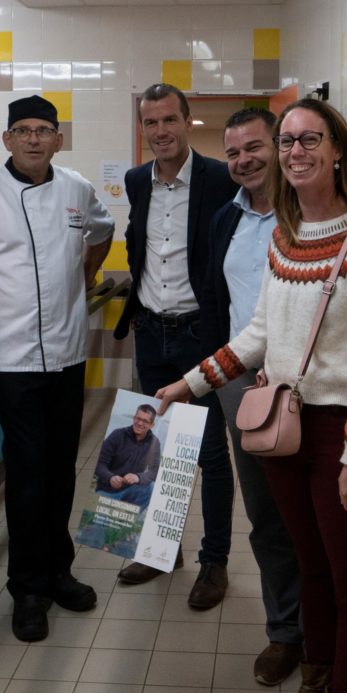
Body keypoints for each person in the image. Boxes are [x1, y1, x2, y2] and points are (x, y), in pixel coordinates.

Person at [155, 99, 347, 693]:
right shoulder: (285, 240)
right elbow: (258, 336)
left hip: (346, 433)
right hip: (286, 429)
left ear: (338, 150)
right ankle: (315, 679)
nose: (296, 152)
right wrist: (188, 384)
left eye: (309, 139)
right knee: (311, 566)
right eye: (289, 141)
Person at [0, 95, 114, 643]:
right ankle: (28, 588)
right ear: (7, 139)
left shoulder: (76, 189)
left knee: (60, 469)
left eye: (44, 130)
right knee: (29, 474)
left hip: (69, 355)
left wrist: (86, 275)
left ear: (59, 139)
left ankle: (58, 571)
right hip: (14, 361)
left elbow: (103, 231)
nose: (34, 138)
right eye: (24, 130)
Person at [112, 82, 238, 609]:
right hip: (150, 333)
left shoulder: (220, 178)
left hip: (198, 335)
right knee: (156, 446)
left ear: (187, 122)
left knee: (208, 454)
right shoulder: (136, 180)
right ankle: (160, 550)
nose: (160, 131)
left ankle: (214, 561)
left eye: (169, 120)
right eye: (150, 122)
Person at [201, 106, 304, 686]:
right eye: (233, 152)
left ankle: (323, 633)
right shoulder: (227, 220)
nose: (244, 160)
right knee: (265, 514)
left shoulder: (311, 212)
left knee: (312, 513)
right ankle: (285, 631)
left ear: (281, 147)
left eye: (255, 147)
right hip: (244, 386)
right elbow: (219, 301)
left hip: (307, 385)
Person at [94, 403, 161, 510]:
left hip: (132, 490)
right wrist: (110, 477)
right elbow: (98, 463)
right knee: (98, 520)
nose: (140, 423)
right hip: (107, 490)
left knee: (150, 487)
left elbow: (155, 471)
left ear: (151, 425)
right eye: (138, 418)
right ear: (134, 418)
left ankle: (131, 515)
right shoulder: (117, 434)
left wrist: (138, 477)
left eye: (145, 421)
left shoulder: (154, 442)